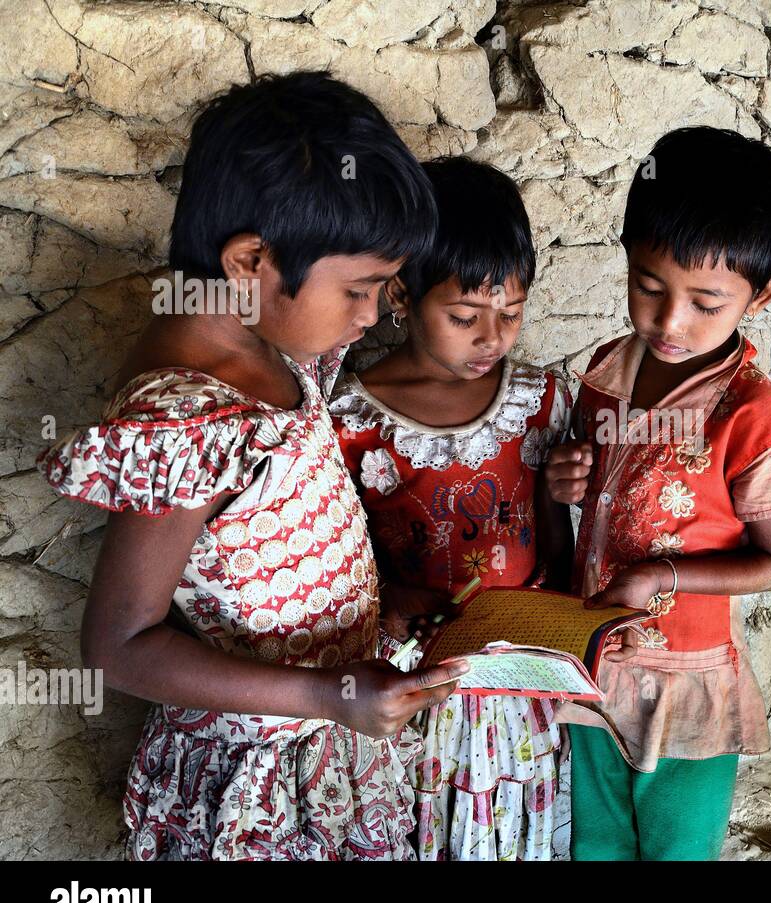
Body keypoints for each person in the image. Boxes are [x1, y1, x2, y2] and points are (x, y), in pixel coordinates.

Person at [35, 71, 466, 860]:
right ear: (250, 261)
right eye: (361, 289)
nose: (371, 316)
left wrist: (374, 611)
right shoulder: (183, 422)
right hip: (254, 786)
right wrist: (325, 693)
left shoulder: (279, 348)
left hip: (329, 743)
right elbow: (118, 645)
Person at [543, 126, 771, 860]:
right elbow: (590, 482)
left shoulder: (753, 411)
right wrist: (565, 477)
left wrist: (662, 574)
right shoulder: (607, 369)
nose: (669, 321)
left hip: (686, 683)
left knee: (675, 848)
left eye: (706, 302)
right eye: (648, 286)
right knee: (597, 843)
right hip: (594, 662)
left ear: (760, 295)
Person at [329, 156, 572, 860]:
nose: (491, 336)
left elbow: (556, 551)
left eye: (511, 313)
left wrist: (562, 494)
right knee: (419, 819)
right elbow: (348, 562)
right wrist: (396, 600)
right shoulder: (351, 417)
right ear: (402, 294)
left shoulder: (537, 401)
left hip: (516, 679)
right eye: (464, 315)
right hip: (412, 677)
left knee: (511, 821)